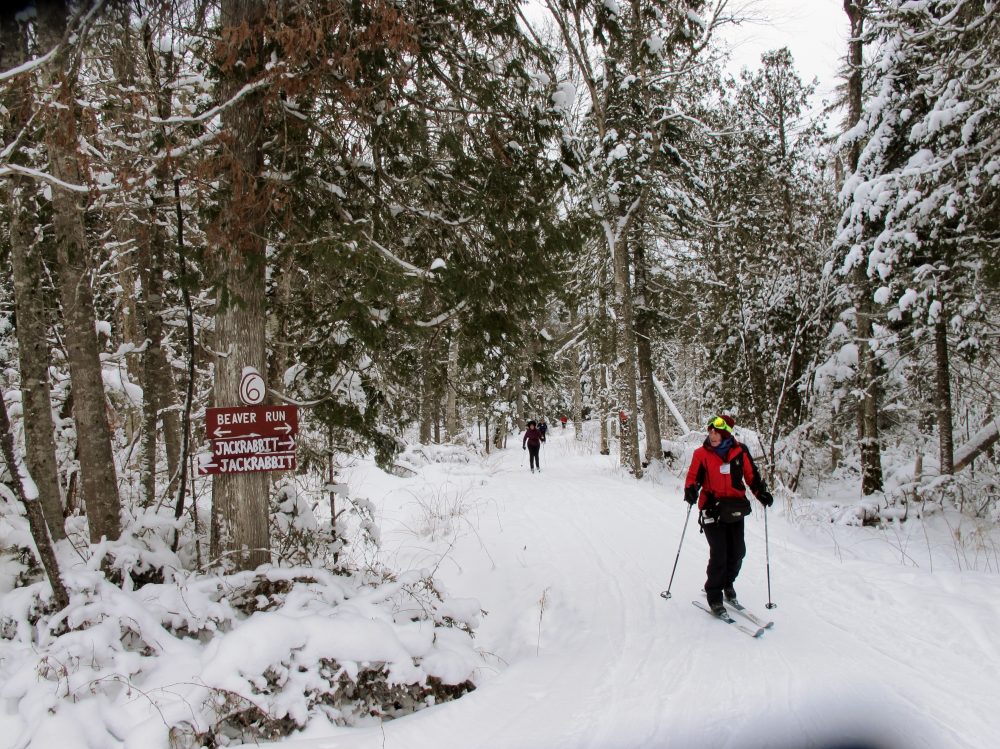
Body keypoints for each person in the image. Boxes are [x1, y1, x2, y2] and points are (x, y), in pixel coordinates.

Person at [683, 414, 773, 616]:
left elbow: (751, 476)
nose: (712, 435)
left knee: (738, 552)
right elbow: (693, 477)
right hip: (711, 508)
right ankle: (714, 595)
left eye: (717, 432)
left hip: (734, 509)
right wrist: (690, 490)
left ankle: (728, 583)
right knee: (720, 553)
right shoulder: (701, 454)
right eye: (710, 431)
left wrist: (761, 493)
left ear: (725, 434)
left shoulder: (740, 452)